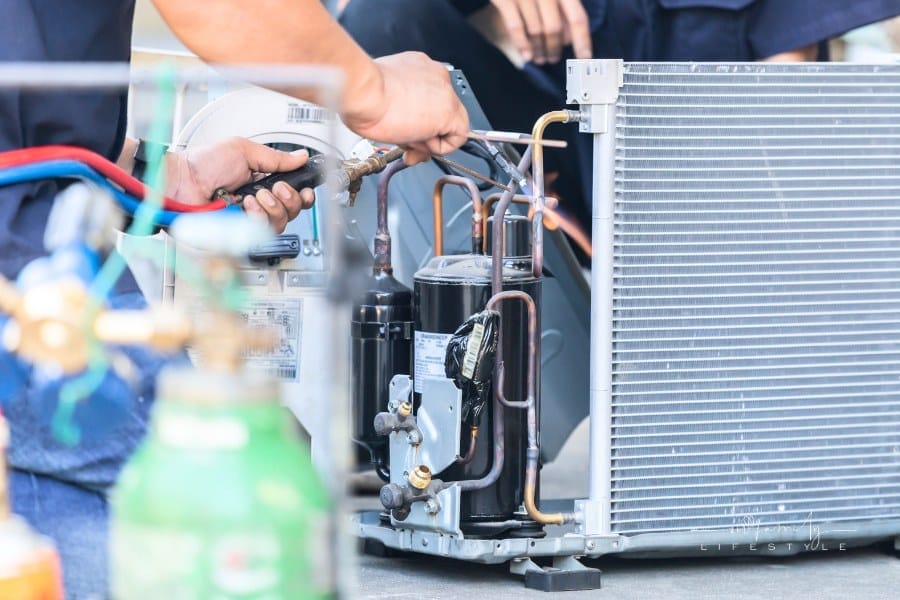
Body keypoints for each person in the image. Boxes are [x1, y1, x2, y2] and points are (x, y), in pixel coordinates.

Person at [0, 0, 468, 596]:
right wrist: (377, 91)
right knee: (244, 495)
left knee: (69, 537)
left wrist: (163, 174)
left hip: (31, 237)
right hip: (26, 278)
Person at [339, 0, 900, 229]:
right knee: (379, 24)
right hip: (559, 145)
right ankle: (467, 338)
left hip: (717, 163)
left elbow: (789, 67)